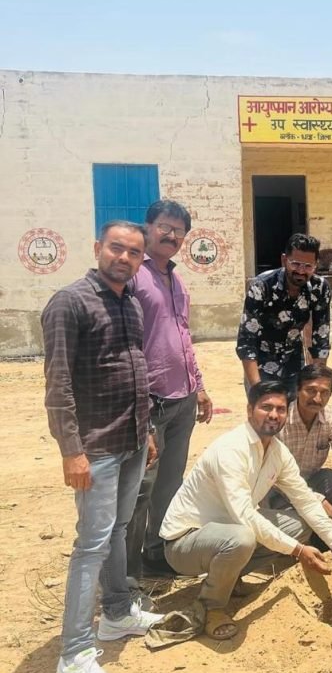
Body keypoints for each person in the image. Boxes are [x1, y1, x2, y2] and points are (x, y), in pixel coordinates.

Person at [41, 221, 163, 673]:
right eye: (116, 248)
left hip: (130, 441)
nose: (124, 258)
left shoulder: (131, 302)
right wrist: (71, 450)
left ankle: (116, 613)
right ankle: (73, 657)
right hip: (95, 447)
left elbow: (134, 367)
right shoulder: (69, 303)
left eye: (134, 252)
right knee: (91, 543)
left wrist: (146, 430)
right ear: (97, 248)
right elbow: (58, 385)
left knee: (118, 529)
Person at [160, 380, 332, 640]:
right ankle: (211, 608)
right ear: (249, 410)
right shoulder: (231, 449)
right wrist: (298, 550)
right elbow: (244, 515)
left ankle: (229, 578)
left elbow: (304, 499)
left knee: (299, 525)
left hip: (229, 529)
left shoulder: (277, 452)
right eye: (266, 407)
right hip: (185, 542)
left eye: (280, 409)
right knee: (242, 538)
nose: (274, 415)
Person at [125, 199, 213, 583]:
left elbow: (183, 338)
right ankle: (126, 574)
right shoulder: (132, 277)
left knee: (169, 484)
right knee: (139, 489)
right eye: (165, 226)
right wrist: (139, 412)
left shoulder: (176, 281)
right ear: (148, 227)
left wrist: (200, 386)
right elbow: (126, 346)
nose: (171, 235)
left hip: (183, 399)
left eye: (179, 230)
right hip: (150, 402)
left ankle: (156, 553)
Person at [268, 364, 332, 536]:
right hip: (276, 491)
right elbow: (277, 477)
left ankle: (320, 538)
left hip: (309, 482)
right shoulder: (280, 420)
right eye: (311, 390)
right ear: (297, 389)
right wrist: (316, 501)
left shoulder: (331, 417)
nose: (317, 399)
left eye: (324, 393)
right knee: (296, 523)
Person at [236, 233, 331, 395]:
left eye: (308, 266)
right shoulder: (262, 286)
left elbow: (321, 339)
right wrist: (257, 389)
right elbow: (246, 342)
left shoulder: (319, 288)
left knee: (296, 410)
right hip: (261, 364)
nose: (301, 271)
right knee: (267, 409)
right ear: (284, 260)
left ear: (315, 265)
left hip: (294, 364)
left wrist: (316, 383)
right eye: (295, 264)